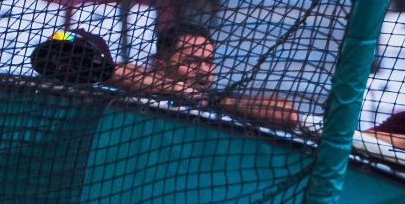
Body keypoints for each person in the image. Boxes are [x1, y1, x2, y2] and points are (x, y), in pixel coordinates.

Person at [112, 22, 298, 130]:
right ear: (161, 65)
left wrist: (216, 101)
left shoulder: (217, 102)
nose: (203, 70)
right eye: (191, 61)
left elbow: (288, 115)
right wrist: (176, 89)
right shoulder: (140, 90)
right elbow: (109, 70)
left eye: (209, 62)